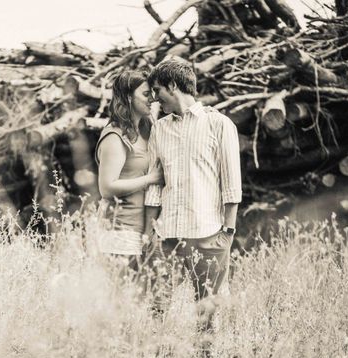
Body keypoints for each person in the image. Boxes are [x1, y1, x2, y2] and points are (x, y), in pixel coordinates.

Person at [143, 61, 242, 320]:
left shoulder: (219, 124)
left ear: (173, 85)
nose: (154, 98)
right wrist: (149, 231)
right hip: (167, 237)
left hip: (208, 235)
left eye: (157, 90)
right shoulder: (160, 129)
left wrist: (227, 234)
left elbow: (231, 184)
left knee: (207, 314)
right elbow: (155, 183)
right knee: (157, 309)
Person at [95, 70, 163, 261]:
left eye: (153, 93)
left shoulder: (147, 128)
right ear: (128, 97)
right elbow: (107, 188)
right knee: (122, 290)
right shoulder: (114, 136)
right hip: (120, 230)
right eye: (146, 94)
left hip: (145, 228)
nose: (153, 99)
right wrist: (151, 178)